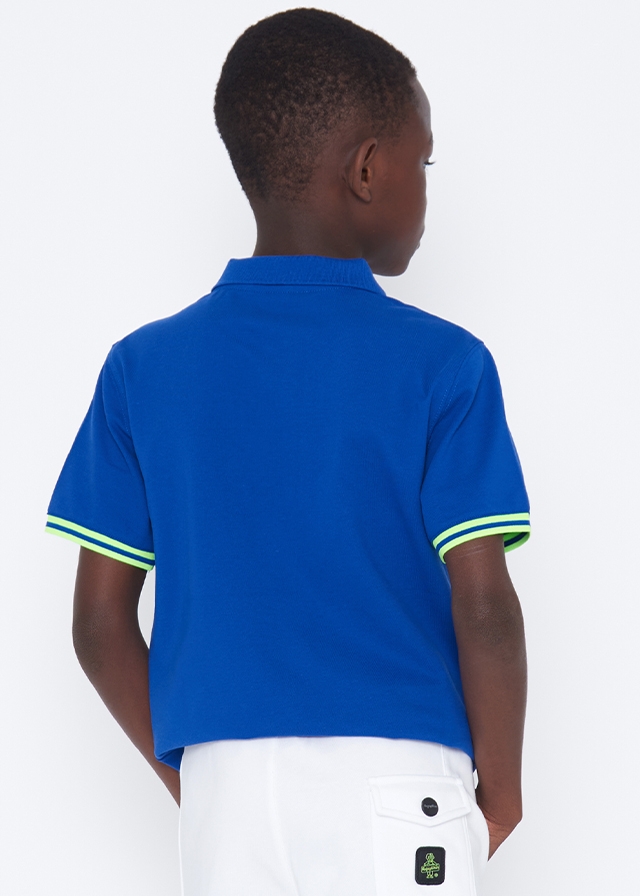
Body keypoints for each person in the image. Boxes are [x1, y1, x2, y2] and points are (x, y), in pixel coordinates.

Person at [45, 9, 530, 896]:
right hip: (399, 777)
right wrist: (501, 792)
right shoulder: (444, 364)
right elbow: (485, 604)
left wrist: (197, 781)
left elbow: (97, 624)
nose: (427, 190)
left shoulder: (143, 367)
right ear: (367, 169)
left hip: (226, 789)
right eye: (423, 163)